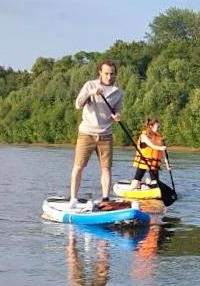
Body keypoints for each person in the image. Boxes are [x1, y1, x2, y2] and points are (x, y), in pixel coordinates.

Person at [70, 59, 123, 208]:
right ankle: (73, 199)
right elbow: (78, 104)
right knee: (78, 166)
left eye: (112, 74)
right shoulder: (90, 85)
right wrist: (90, 93)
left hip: (106, 134)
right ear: (100, 72)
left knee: (106, 168)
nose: (109, 76)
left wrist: (117, 116)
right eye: (106, 73)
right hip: (87, 132)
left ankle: (105, 198)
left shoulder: (117, 92)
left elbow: (117, 110)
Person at [129, 118, 168, 189]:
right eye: (157, 126)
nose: (158, 128)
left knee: (156, 182)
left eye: (159, 126)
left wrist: (166, 162)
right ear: (151, 126)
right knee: (136, 181)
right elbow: (152, 146)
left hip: (153, 162)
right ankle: (136, 186)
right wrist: (161, 148)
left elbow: (163, 150)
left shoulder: (158, 136)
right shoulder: (144, 136)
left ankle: (150, 184)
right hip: (144, 161)